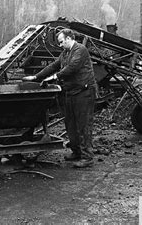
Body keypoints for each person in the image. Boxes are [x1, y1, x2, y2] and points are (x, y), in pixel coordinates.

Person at [23, 28, 97, 168]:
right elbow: (53, 66)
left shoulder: (80, 50)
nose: (60, 45)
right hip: (70, 92)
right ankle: (76, 152)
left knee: (83, 124)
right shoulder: (65, 53)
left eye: (62, 42)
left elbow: (72, 68)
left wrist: (54, 77)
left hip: (84, 93)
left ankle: (87, 158)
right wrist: (36, 77)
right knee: (70, 124)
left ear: (69, 38)